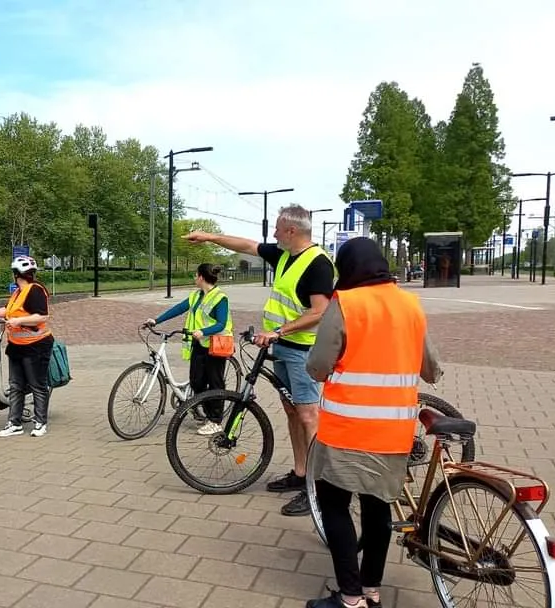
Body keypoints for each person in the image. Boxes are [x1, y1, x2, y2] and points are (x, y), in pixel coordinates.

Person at [303, 237, 442, 608]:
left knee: (334, 508)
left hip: (347, 428)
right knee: (378, 509)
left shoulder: (346, 303)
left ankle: (350, 600)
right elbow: (431, 368)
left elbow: (318, 365)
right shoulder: (410, 304)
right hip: (393, 431)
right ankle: (371, 592)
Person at [184, 204, 335, 516]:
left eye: (278, 229)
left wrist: (280, 330)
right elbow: (246, 245)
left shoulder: (317, 263)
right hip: (282, 346)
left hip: (303, 349)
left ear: (292, 231)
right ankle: (300, 473)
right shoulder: (284, 256)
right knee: (292, 412)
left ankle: (319, 490)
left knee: (308, 416)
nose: (274, 234)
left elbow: (320, 311)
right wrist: (210, 237)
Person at [143, 263, 234, 435]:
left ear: (201, 277)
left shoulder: (220, 298)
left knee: (215, 382)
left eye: (195, 275)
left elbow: (222, 323)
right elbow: (178, 309)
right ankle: (204, 411)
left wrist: (203, 331)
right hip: (198, 344)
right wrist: (156, 320)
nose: (194, 278)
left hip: (216, 344)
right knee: (197, 381)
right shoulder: (196, 296)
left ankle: (215, 420)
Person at [0, 256, 54, 438]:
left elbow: (42, 316)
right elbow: (9, 311)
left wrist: (19, 320)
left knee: (37, 385)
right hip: (17, 346)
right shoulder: (18, 292)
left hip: (36, 346)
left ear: (16, 274)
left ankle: (40, 422)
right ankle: (14, 423)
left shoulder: (35, 290)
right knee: (16, 384)